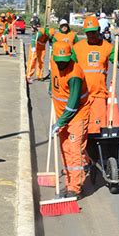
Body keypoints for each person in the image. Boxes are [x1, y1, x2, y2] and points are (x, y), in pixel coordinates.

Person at [71, 15, 119, 134]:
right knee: (79, 129)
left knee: (97, 130)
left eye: (93, 32)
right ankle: (83, 152)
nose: (91, 35)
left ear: (98, 30)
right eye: (88, 33)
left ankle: (96, 152)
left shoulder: (107, 47)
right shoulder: (77, 48)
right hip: (81, 96)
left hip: (99, 96)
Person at [50, 41, 91, 198]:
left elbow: (73, 106)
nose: (61, 64)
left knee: (74, 150)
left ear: (69, 58)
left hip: (77, 115)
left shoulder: (75, 75)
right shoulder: (54, 62)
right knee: (65, 149)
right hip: (61, 115)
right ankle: (68, 183)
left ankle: (75, 188)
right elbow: (54, 82)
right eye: (58, 61)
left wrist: (59, 123)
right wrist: (50, 91)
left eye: (64, 62)